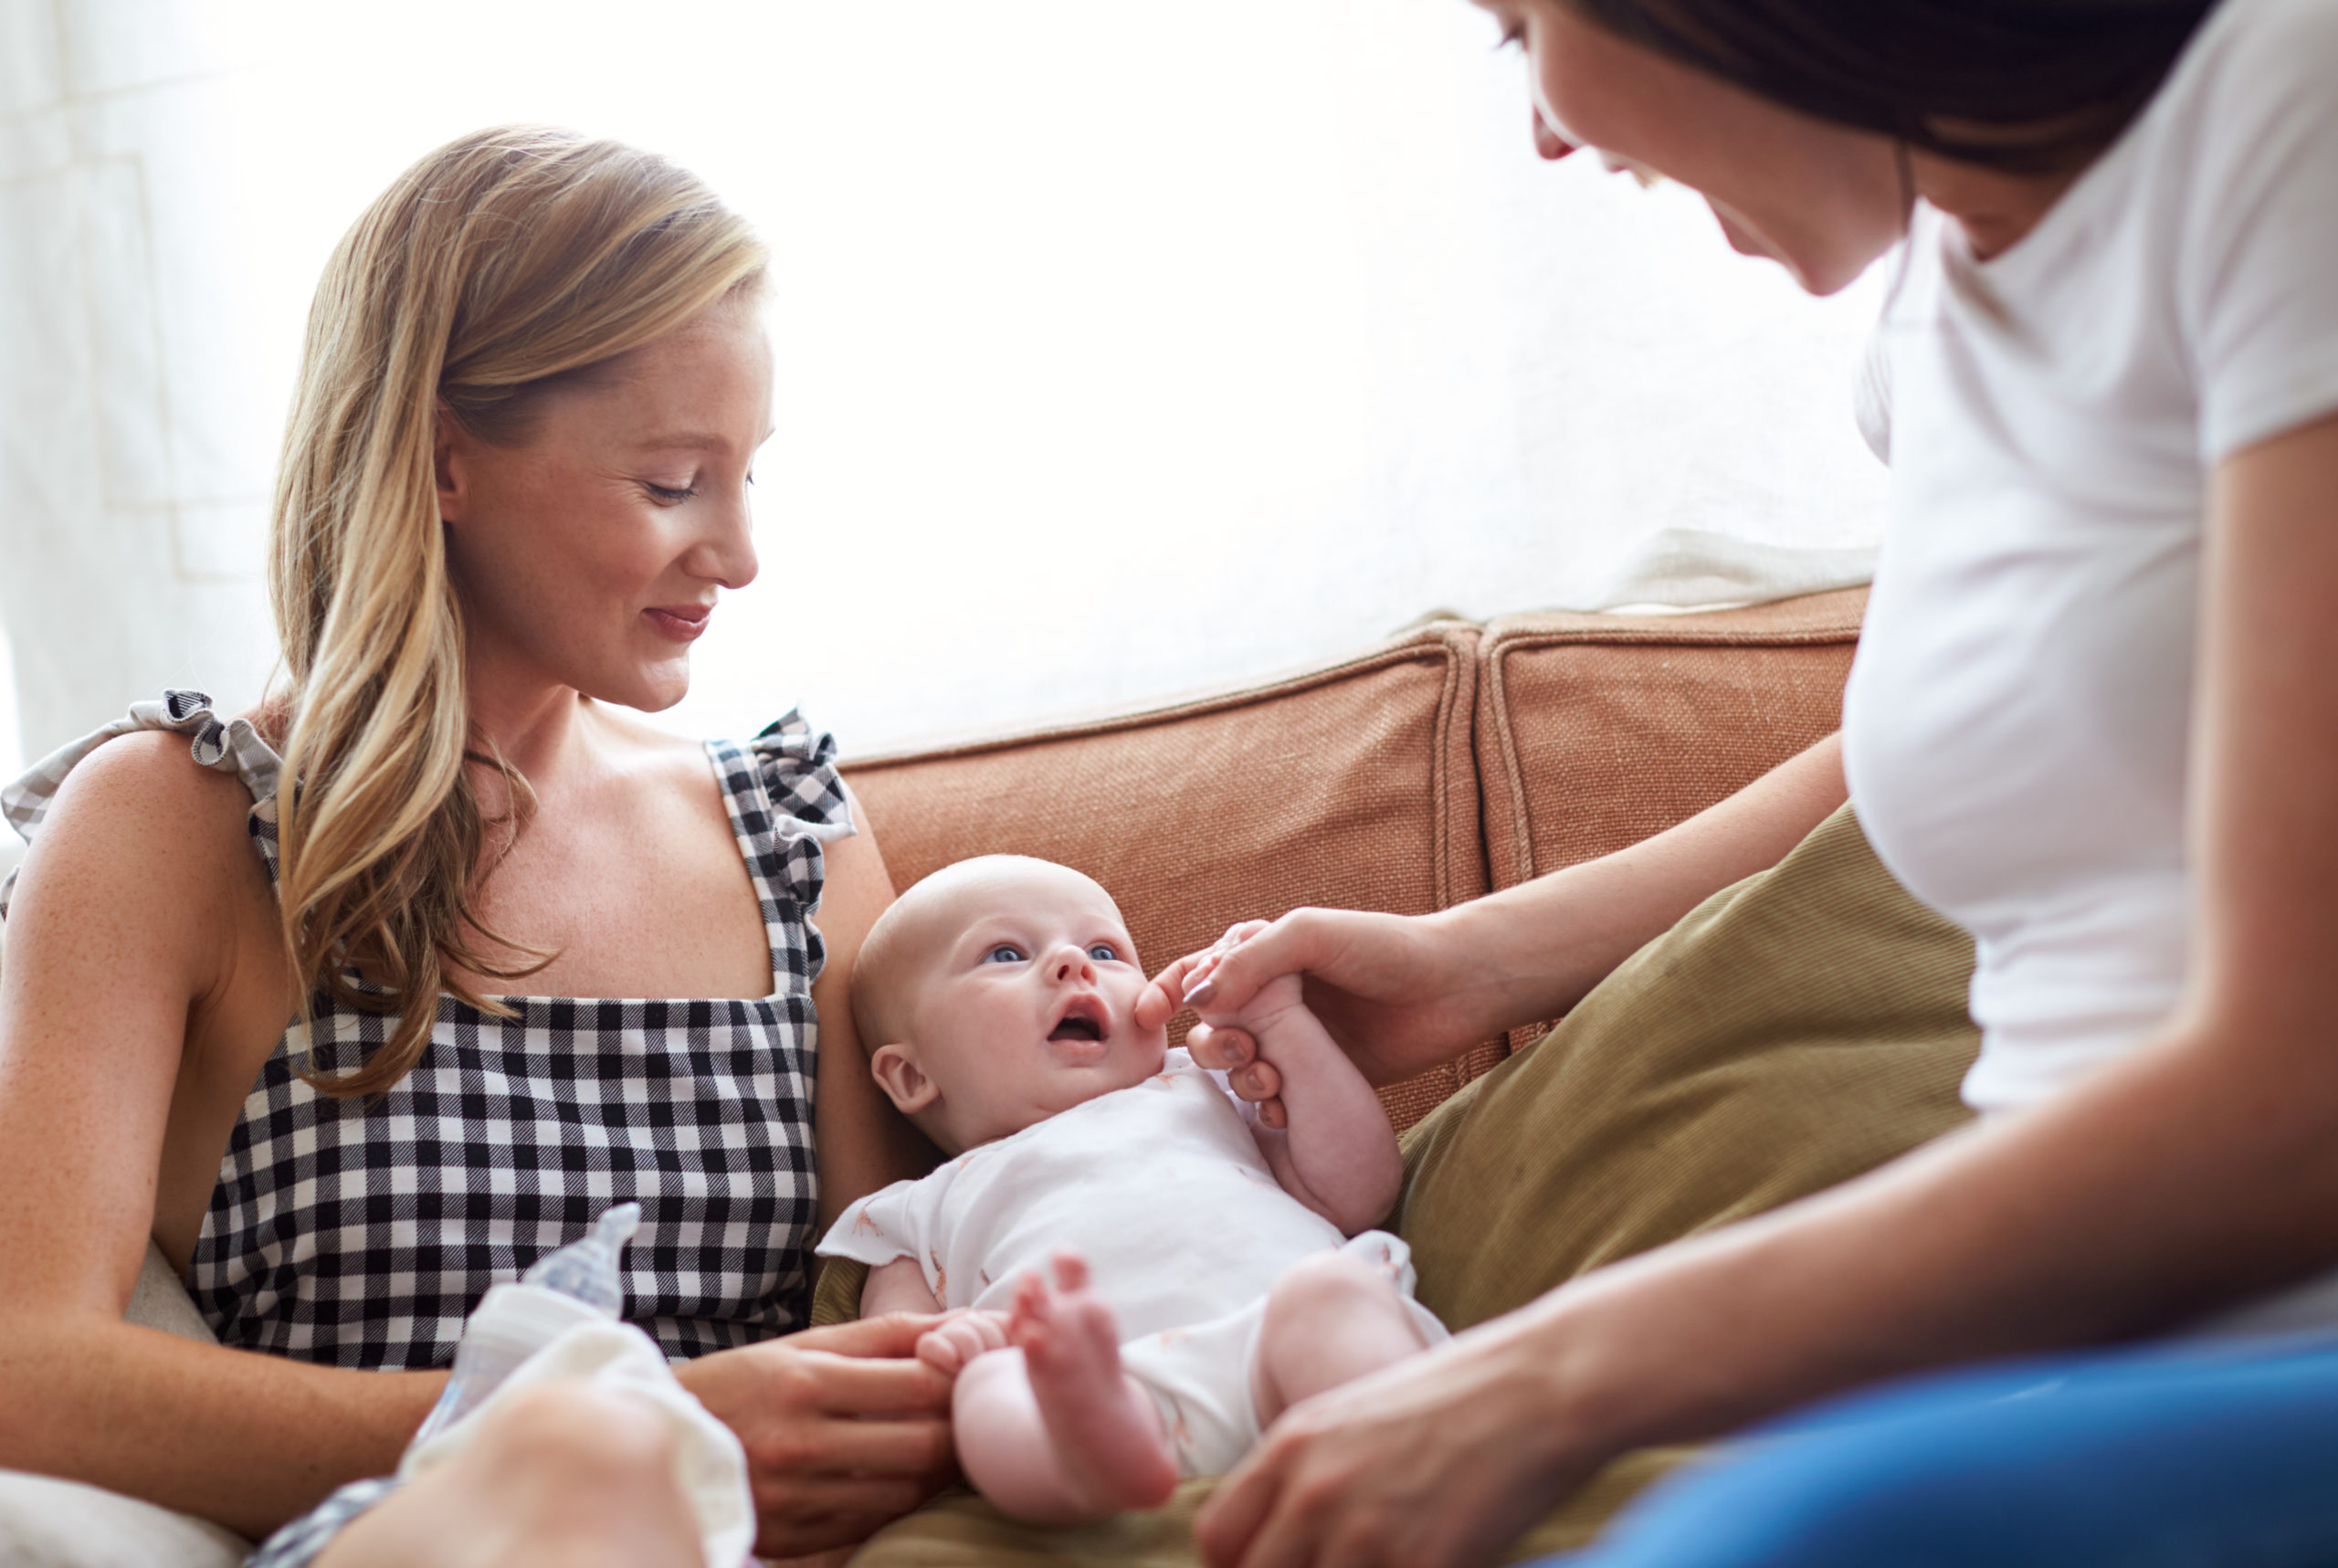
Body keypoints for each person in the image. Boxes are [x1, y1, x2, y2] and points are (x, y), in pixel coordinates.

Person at [1130, 0, 2338, 1564]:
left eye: (1517, 32)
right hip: (2090, 1365)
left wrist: (1546, 1378)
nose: (1550, 133)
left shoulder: (2284, 101)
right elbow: (2027, 738)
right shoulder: (1940, 319)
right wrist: (1475, 960)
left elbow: (2292, 1107)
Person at [0, 127, 955, 1566]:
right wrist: (635, 1425)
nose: (740, 553)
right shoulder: (171, 824)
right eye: (672, 481)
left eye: (747, 474)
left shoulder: (794, 829)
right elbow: (25, 1367)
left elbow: (907, 1275)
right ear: (448, 463)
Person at [815, 856, 1443, 1523]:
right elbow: (894, 1351)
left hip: (1277, 1330)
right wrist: (956, 1346)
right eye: (1005, 953)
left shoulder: (1210, 1084)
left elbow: (1358, 1192)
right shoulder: (912, 1208)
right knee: (991, 1390)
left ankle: (1395, 1480)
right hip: (1096, 1392)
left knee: (1332, 1292)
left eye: (1104, 949)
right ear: (912, 1075)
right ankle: (1103, 1454)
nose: (1071, 962)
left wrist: (1284, 1023)